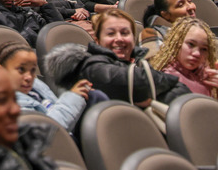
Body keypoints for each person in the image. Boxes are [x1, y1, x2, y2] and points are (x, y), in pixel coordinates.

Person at [45, 10, 190, 104]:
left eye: (125, 33)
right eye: (111, 34)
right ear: (97, 40)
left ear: (133, 38)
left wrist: (149, 96)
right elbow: (133, 82)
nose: (119, 39)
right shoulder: (91, 66)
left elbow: (183, 91)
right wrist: (169, 85)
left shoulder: (142, 62)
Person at [150, 17, 218, 118]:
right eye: (191, 44)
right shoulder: (167, 79)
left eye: (204, 49)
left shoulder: (209, 74)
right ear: (177, 44)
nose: (197, 53)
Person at [0, 41, 89, 132]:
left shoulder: (36, 87)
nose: (29, 77)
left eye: (32, 70)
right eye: (21, 69)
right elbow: (46, 131)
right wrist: (73, 97)